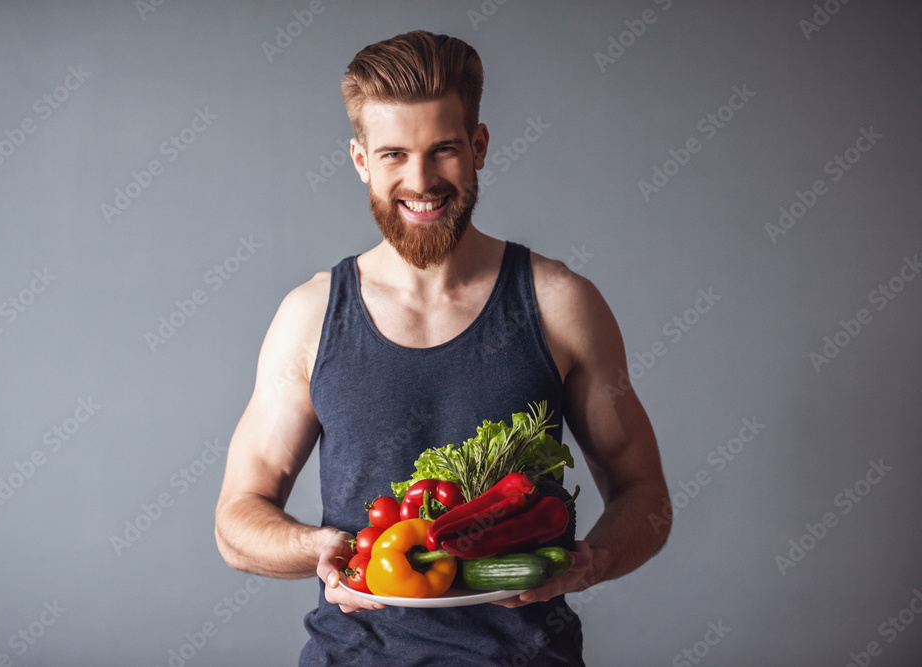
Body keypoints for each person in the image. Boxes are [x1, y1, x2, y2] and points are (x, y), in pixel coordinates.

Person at [215, 30, 671, 665]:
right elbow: (237, 520)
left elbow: (645, 493)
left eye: (444, 150)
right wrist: (315, 549)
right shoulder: (311, 315)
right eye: (394, 153)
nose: (421, 180)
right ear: (359, 159)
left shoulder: (560, 302)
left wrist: (589, 564)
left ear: (478, 147)